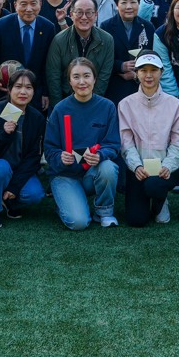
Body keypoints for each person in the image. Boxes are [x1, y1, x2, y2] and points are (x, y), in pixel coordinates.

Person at [44, 58, 122, 230]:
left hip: (92, 173)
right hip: (65, 175)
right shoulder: (60, 109)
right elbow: (49, 149)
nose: (82, 82)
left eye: (86, 76)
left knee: (108, 167)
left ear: (95, 79)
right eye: (76, 77)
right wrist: (60, 156)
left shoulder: (107, 107)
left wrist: (100, 155)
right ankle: (64, 203)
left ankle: (104, 212)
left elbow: (113, 144)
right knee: (78, 222)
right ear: (69, 81)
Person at [117, 52, 179, 227]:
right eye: (143, 70)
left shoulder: (174, 104)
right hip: (138, 170)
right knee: (136, 220)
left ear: (161, 72)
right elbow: (126, 142)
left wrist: (168, 166)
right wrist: (136, 166)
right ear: (137, 73)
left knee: (154, 186)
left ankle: (160, 201)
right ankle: (147, 198)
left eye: (153, 70)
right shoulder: (125, 104)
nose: (148, 75)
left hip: (165, 170)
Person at [0, 68, 47, 228]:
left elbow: (34, 156)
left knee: (36, 195)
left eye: (28, 87)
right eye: (18, 86)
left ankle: (8, 201)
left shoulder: (37, 118)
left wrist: (14, 186)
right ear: (10, 89)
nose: (23, 92)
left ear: (34, 91)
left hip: (18, 171)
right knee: (1, 167)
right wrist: (2, 133)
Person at [0, 0, 58, 110]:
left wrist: (45, 92)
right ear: (15, 5)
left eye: (33, 3)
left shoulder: (48, 27)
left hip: (35, 94)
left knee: (32, 127)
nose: (29, 9)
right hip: (7, 93)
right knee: (10, 126)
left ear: (40, 3)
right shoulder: (1, 26)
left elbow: (48, 63)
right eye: (23, 4)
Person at [46, 0, 115, 101]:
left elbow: (104, 77)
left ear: (96, 14)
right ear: (71, 14)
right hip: (66, 99)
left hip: (95, 99)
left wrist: (92, 103)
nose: (84, 17)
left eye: (89, 12)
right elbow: (53, 76)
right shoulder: (59, 40)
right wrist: (59, 106)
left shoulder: (107, 40)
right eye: (79, 12)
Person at [101, 0, 156, 104]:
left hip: (142, 87)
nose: (129, 6)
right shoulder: (106, 27)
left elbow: (153, 55)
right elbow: (102, 59)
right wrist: (121, 66)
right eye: (124, 2)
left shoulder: (147, 27)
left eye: (133, 2)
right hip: (115, 88)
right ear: (116, 5)